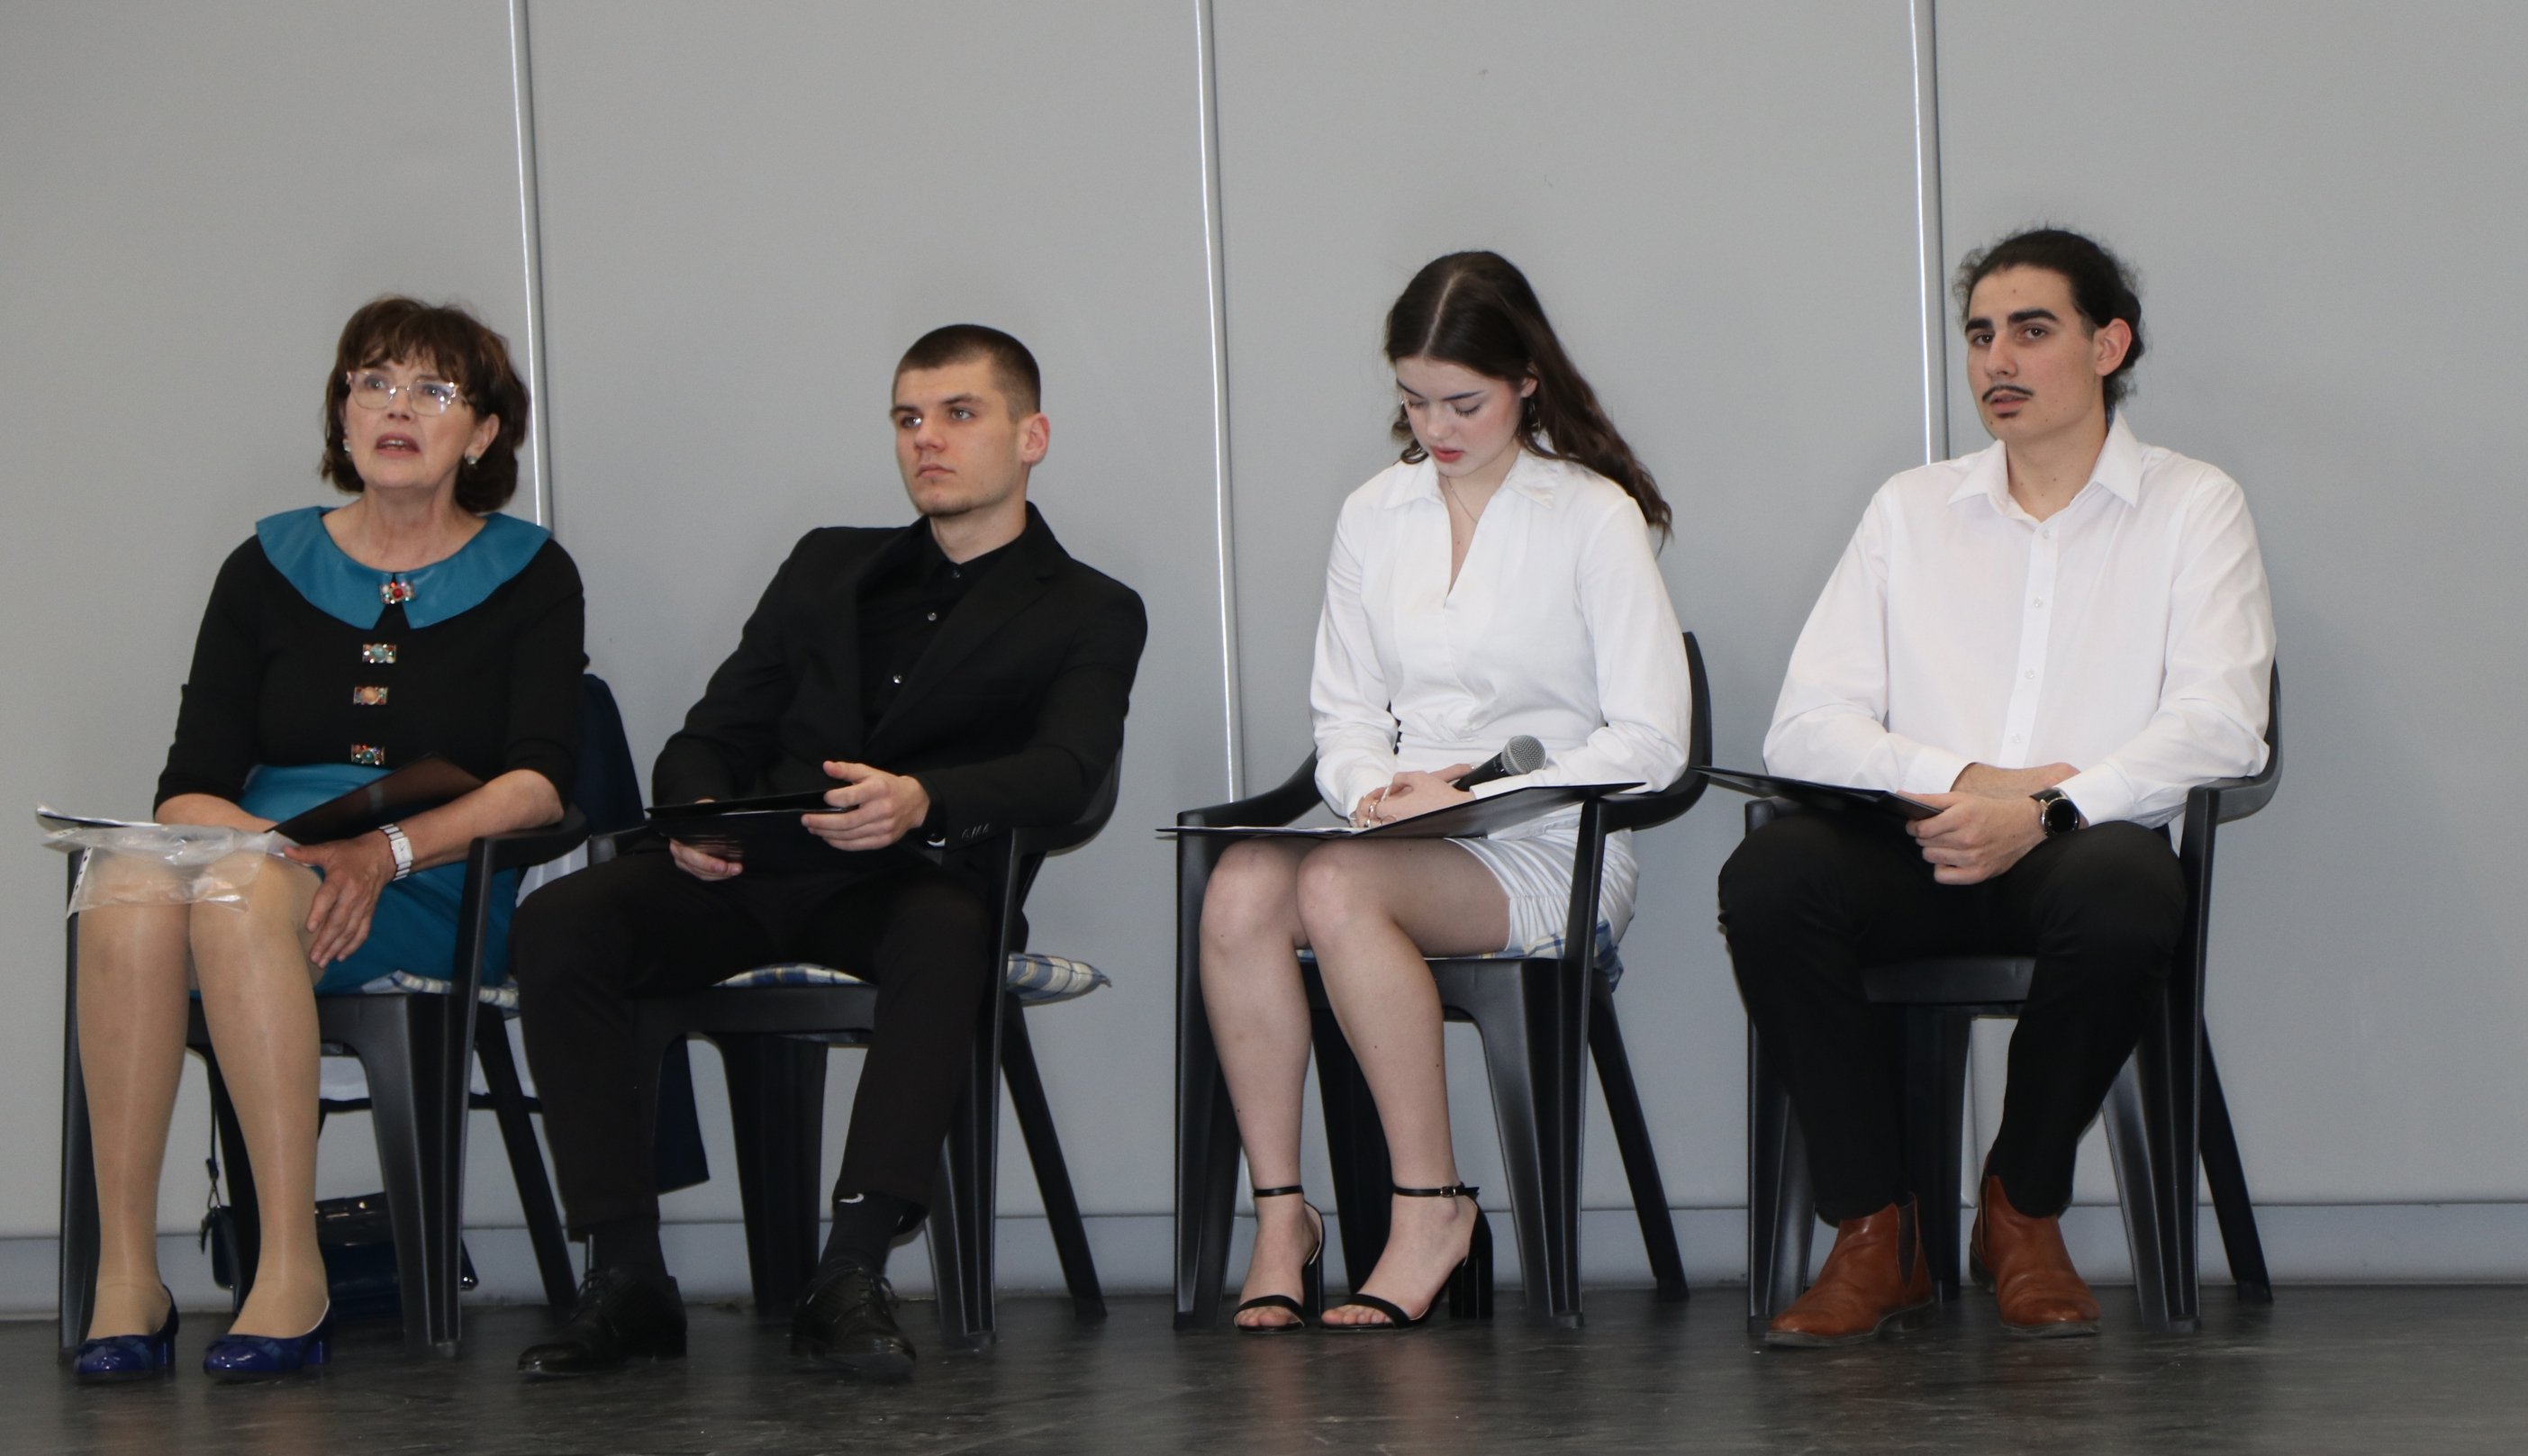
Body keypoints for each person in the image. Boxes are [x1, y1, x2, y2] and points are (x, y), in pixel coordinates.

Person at [511, 324, 1146, 1380]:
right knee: (560, 920)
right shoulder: (826, 564)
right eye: (908, 418)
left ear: (1031, 436)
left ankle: (848, 1270)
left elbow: (1067, 772)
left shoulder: (1090, 608)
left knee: (947, 934)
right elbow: (713, 731)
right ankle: (625, 1276)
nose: (927, 439)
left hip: (909, 882)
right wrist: (695, 815)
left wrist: (922, 801)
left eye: (959, 414)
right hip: (753, 869)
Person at [1719, 227, 2274, 1346]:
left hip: (2083, 847)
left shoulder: (2193, 504)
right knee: (1771, 876)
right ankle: (1877, 1230)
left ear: (2108, 345)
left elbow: (2223, 725)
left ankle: (2020, 1208)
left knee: (2127, 896)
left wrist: (2048, 810)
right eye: (1979, 336)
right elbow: (1807, 727)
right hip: (1915, 846)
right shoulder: (1909, 510)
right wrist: (1970, 781)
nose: (1997, 361)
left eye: (2031, 330)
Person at [71, 297, 584, 1381]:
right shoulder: (265, 564)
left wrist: (385, 852)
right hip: (265, 851)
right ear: (342, 414)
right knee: (120, 886)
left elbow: (539, 785)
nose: (397, 408)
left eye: (433, 390)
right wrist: (277, 848)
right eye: (374, 382)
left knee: (237, 897)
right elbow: (187, 791)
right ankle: (126, 1278)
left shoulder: (531, 574)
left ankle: (288, 1273)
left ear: (483, 432)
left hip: (427, 875)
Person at [1199, 252, 1691, 1333]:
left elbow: (1654, 745)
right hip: (1396, 839)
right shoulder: (1374, 513)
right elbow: (1342, 718)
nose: (1437, 427)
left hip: (1552, 843)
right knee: (1239, 885)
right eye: (1416, 400)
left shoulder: (1590, 514)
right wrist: (1374, 791)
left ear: (1526, 379)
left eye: (1463, 402)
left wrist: (1464, 791)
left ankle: (1431, 1210)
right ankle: (1283, 1217)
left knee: (1333, 887)